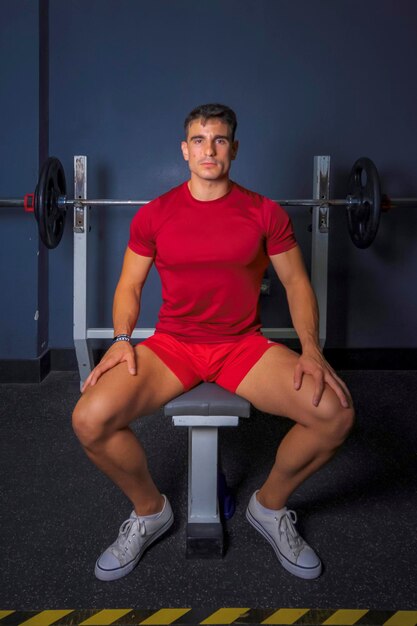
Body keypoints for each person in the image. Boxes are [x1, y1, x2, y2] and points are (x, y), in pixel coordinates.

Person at [72, 103, 354, 582]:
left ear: (234, 148)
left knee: (335, 416)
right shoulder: (155, 215)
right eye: (199, 140)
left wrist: (311, 348)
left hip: (241, 347)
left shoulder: (263, 212)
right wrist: (121, 340)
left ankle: (269, 507)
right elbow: (129, 285)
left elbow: (297, 284)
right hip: (173, 346)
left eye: (220, 140)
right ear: (184, 150)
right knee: (89, 418)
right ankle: (149, 511)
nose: (210, 149)